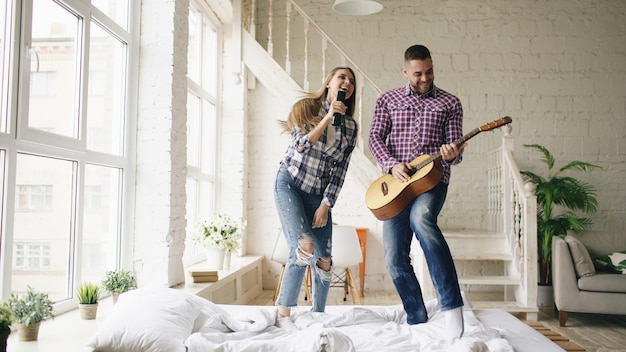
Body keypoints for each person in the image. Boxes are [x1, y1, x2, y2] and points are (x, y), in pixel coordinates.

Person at [368, 44, 465, 339]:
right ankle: (416, 316)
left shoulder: (450, 103)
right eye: (419, 73)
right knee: (394, 257)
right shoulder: (387, 100)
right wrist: (390, 164)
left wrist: (451, 154)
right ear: (406, 71)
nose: (425, 78)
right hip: (396, 188)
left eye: (430, 71)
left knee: (421, 220)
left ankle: (452, 306)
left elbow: (455, 153)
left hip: (432, 181)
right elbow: (374, 137)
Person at [274, 67, 358, 329]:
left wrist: (326, 205)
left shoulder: (350, 128)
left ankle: (317, 314)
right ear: (329, 83)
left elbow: (340, 171)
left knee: (324, 260)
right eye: (342, 77)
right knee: (303, 247)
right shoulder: (306, 108)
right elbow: (301, 145)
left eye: (352, 81)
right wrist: (328, 115)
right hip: (290, 184)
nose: (347, 82)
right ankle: (282, 316)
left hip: (318, 195)